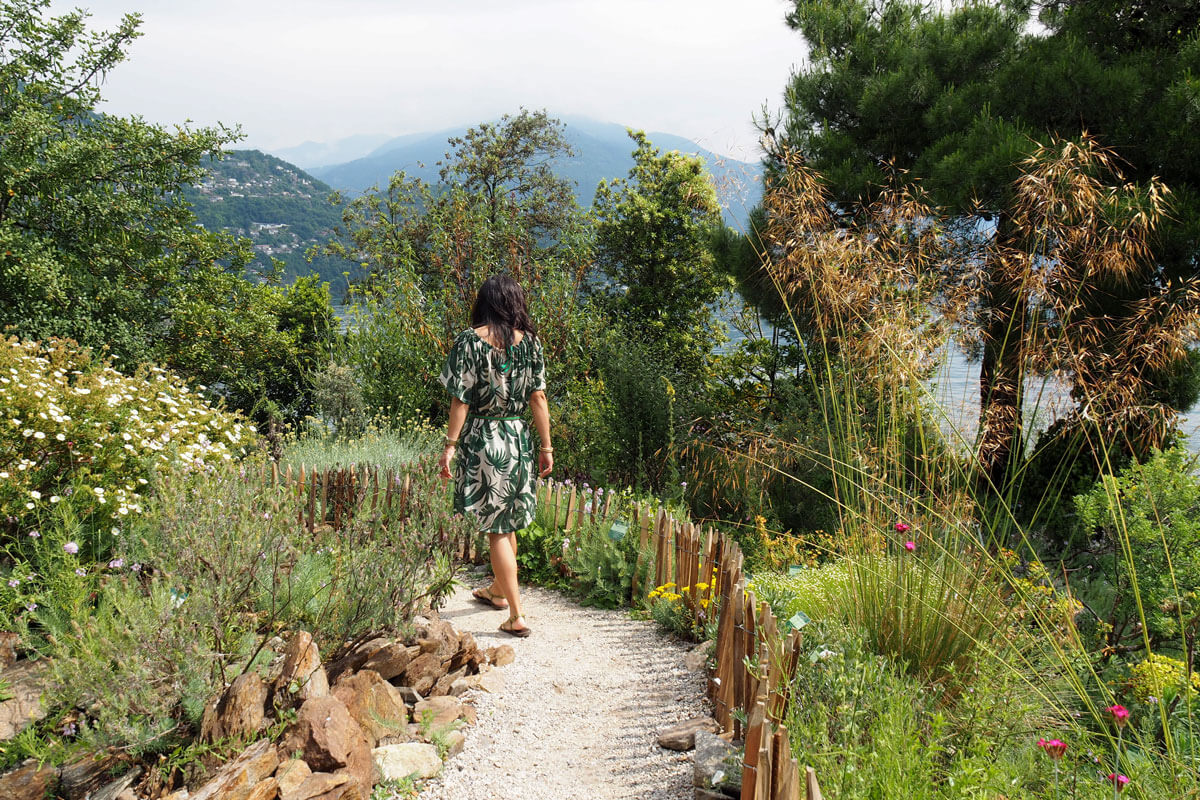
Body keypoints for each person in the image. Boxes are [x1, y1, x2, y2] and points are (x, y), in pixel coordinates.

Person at [437, 274, 552, 637]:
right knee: (509, 518)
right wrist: (547, 446)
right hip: (518, 437)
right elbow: (538, 398)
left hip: (485, 438)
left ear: (484, 303)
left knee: (496, 529)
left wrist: (450, 445)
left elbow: (461, 399)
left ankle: (516, 615)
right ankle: (498, 592)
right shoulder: (531, 344)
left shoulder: (469, 342)